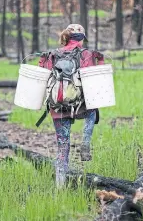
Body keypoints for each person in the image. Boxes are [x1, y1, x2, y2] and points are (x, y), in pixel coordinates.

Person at [38, 24, 104, 186]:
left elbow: (42, 74)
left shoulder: (53, 54)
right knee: (93, 109)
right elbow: (96, 79)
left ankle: (60, 185)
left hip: (58, 107)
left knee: (63, 146)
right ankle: (86, 140)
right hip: (81, 106)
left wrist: (43, 59)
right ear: (81, 39)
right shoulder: (86, 54)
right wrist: (100, 59)